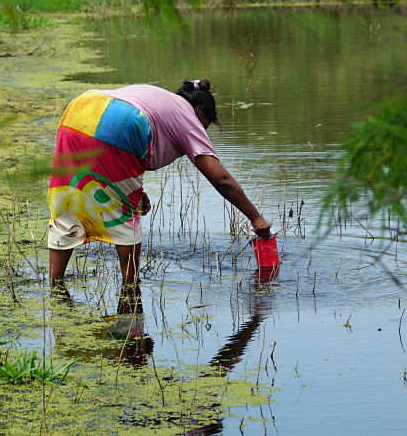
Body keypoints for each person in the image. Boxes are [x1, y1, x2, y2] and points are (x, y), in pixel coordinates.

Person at [47, 79, 271, 308]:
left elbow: (118, 157)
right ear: (202, 116)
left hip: (81, 108)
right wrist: (255, 217)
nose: (203, 131)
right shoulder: (189, 118)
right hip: (122, 118)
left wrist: (136, 190)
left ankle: (54, 287)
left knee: (69, 197)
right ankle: (130, 288)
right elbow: (220, 179)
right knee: (125, 212)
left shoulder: (163, 100)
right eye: (206, 126)